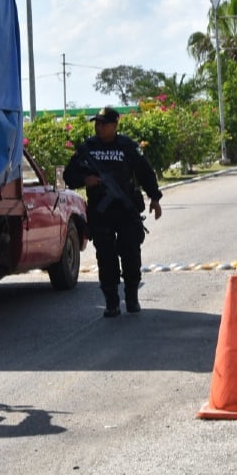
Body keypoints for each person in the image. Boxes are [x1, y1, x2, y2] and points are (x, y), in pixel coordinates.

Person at [63, 107, 163, 318]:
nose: (98, 127)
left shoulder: (127, 146)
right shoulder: (88, 148)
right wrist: (85, 180)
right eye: (96, 123)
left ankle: (132, 297)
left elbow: (145, 172)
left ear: (115, 125)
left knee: (130, 252)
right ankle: (111, 301)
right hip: (100, 213)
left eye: (103, 124)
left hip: (126, 211)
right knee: (105, 257)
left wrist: (155, 198)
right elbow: (69, 175)